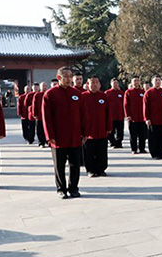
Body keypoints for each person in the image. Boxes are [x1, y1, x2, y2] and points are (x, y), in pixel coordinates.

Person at [42, 67, 86, 199]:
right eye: (65, 76)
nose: (68, 79)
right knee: (59, 165)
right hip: (58, 137)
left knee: (75, 165)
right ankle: (61, 188)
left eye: (70, 76)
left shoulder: (77, 94)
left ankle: (74, 188)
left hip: (75, 136)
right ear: (59, 77)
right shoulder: (50, 94)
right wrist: (50, 136)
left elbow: (83, 115)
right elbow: (46, 117)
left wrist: (84, 133)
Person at [82, 75, 111, 177]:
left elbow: (108, 113)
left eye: (96, 83)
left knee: (102, 151)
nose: (94, 85)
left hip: (102, 129)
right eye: (92, 83)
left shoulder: (104, 96)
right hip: (88, 131)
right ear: (87, 84)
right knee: (89, 152)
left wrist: (109, 127)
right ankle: (90, 170)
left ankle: (101, 169)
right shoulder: (83, 97)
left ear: (99, 84)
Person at [144, 75, 162, 159]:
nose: (158, 82)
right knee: (153, 138)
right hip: (153, 120)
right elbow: (146, 107)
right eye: (156, 80)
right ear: (152, 82)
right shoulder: (149, 93)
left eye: (159, 80)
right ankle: (155, 153)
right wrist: (147, 118)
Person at [124, 77, 147, 154]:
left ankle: (142, 148)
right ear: (132, 82)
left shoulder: (143, 92)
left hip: (141, 117)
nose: (136, 82)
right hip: (132, 117)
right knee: (133, 135)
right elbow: (126, 105)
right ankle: (134, 149)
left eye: (137, 81)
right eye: (134, 81)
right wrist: (128, 115)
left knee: (142, 134)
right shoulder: (128, 92)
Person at [105, 79, 125, 148]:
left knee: (120, 131)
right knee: (111, 131)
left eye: (116, 83)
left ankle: (119, 143)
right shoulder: (107, 93)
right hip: (111, 116)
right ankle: (113, 142)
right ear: (111, 84)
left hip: (120, 115)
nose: (115, 84)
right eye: (114, 83)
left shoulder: (121, 93)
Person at [31, 82, 49, 147]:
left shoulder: (48, 94)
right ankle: (41, 142)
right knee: (40, 130)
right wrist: (34, 114)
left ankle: (48, 141)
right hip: (40, 116)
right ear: (40, 87)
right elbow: (34, 105)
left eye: (46, 86)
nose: (45, 87)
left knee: (47, 129)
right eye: (43, 86)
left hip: (48, 116)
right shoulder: (37, 95)